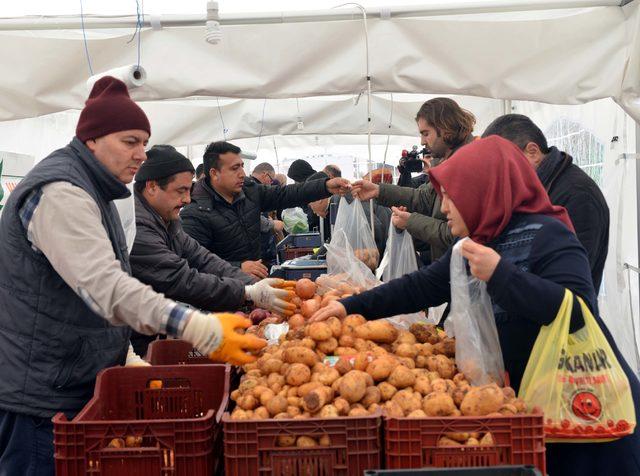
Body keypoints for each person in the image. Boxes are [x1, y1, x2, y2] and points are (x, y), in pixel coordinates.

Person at [311, 136, 640, 476]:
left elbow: (577, 311)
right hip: (532, 405)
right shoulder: (482, 239)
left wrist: (502, 275)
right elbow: (421, 287)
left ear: (484, 191)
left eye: (452, 196)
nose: (443, 208)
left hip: (583, 411)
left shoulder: (549, 235)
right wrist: (351, 307)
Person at [0, 77, 265, 475]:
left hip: (72, 378)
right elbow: (104, 285)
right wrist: (195, 326)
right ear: (91, 139)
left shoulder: (100, 189)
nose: (141, 154)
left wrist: (120, 352)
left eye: (144, 141)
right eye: (129, 141)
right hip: (39, 398)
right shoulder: (60, 191)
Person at [129, 146, 295, 355]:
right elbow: (181, 279)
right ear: (152, 187)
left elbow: (203, 258)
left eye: (189, 190)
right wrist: (247, 293)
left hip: (149, 327)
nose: (188, 199)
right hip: (123, 336)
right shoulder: (137, 227)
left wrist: (255, 285)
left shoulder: (167, 219)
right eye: (181, 191)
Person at [181, 142, 351, 278]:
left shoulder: (249, 191)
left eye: (241, 166)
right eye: (235, 168)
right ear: (214, 173)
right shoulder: (195, 212)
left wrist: (325, 186)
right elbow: (192, 263)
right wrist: (237, 267)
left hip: (256, 288)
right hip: (219, 300)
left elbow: (287, 194)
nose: (242, 173)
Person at [482, 114, 609, 291]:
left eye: (504, 164)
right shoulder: (536, 189)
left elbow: (571, 280)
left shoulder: (578, 195)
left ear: (532, 152)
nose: (501, 174)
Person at [352, 97, 476, 262]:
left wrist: (411, 221)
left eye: (426, 133)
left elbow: (455, 234)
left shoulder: (468, 165)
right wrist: (378, 190)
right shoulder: (450, 162)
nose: (422, 141)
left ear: (446, 129)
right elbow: (424, 197)